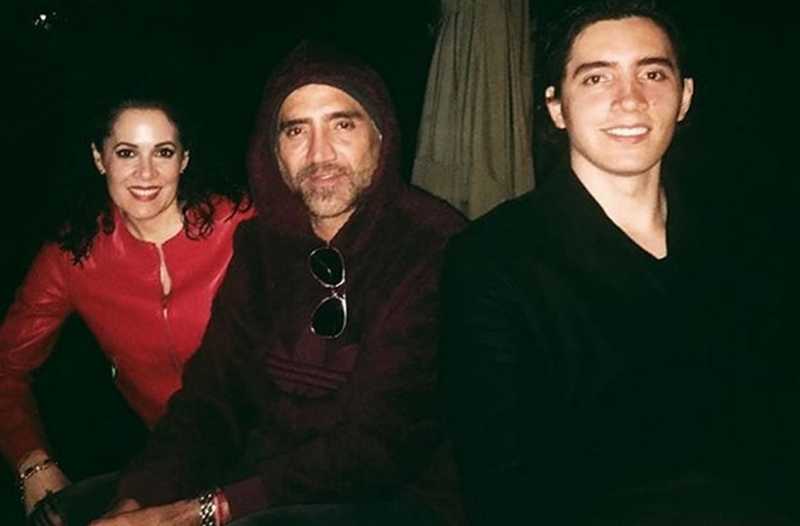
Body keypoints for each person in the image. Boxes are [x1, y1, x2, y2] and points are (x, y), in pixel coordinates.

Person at [76, 42, 465, 526]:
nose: (320, 154)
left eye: (342, 125)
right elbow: (212, 394)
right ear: (273, 150)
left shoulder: (432, 244)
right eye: (296, 130)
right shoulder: (262, 245)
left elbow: (381, 442)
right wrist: (142, 496)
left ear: (382, 135)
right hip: (262, 477)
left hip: (397, 496)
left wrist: (206, 509)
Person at [442, 1, 795, 524]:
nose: (630, 100)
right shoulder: (492, 260)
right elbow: (501, 483)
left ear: (685, 97)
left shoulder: (749, 239)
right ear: (556, 106)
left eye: (652, 74)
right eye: (596, 78)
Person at [0, 96, 254, 518]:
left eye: (163, 152)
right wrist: (32, 463)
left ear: (184, 160)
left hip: (279, 450)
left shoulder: (242, 224)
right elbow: (7, 366)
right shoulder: (74, 255)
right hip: (170, 466)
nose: (146, 173)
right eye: (126, 153)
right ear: (99, 159)